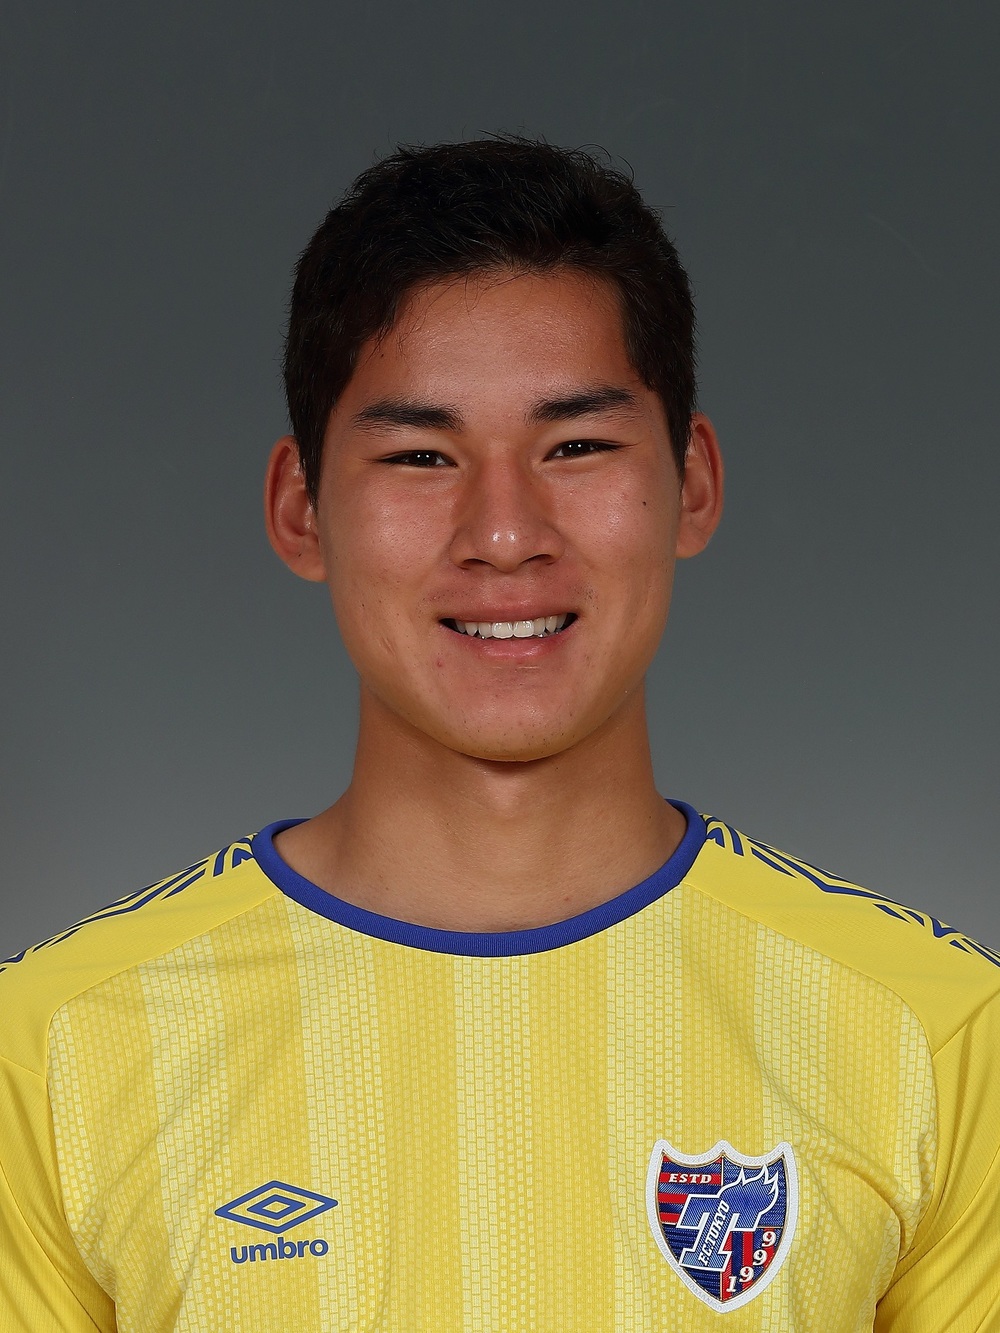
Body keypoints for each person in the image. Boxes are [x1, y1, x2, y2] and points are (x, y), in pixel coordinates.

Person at [1, 136, 997, 1332]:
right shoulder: (53, 1054)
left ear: (691, 484)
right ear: (300, 509)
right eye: (421, 455)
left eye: (575, 446)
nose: (506, 532)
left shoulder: (936, 1035)